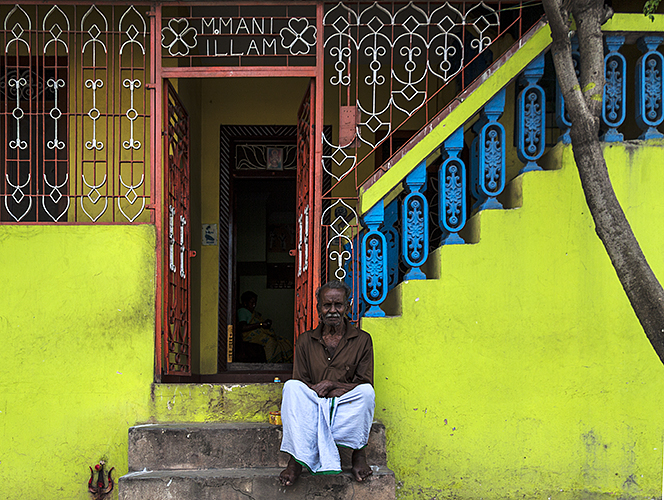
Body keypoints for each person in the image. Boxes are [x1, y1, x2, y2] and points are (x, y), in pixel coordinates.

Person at [279, 280, 375, 486]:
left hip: (345, 407)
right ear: (318, 308)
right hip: (313, 405)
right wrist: (318, 392)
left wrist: (331, 384)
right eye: (327, 305)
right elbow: (301, 383)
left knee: (366, 393)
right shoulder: (305, 340)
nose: (332, 310)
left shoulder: (362, 340)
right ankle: (295, 462)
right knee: (291, 388)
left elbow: (364, 383)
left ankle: (359, 456)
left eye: (338, 305)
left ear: (347, 306)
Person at [237, 291, 293, 363]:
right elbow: (243, 327)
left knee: (282, 341)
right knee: (270, 341)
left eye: (255, 302)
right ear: (245, 303)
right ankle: (271, 363)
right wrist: (260, 324)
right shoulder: (242, 311)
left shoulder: (254, 313)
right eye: (252, 302)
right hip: (249, 337)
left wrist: (265, 324)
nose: (254, 305)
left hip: (258, 334)